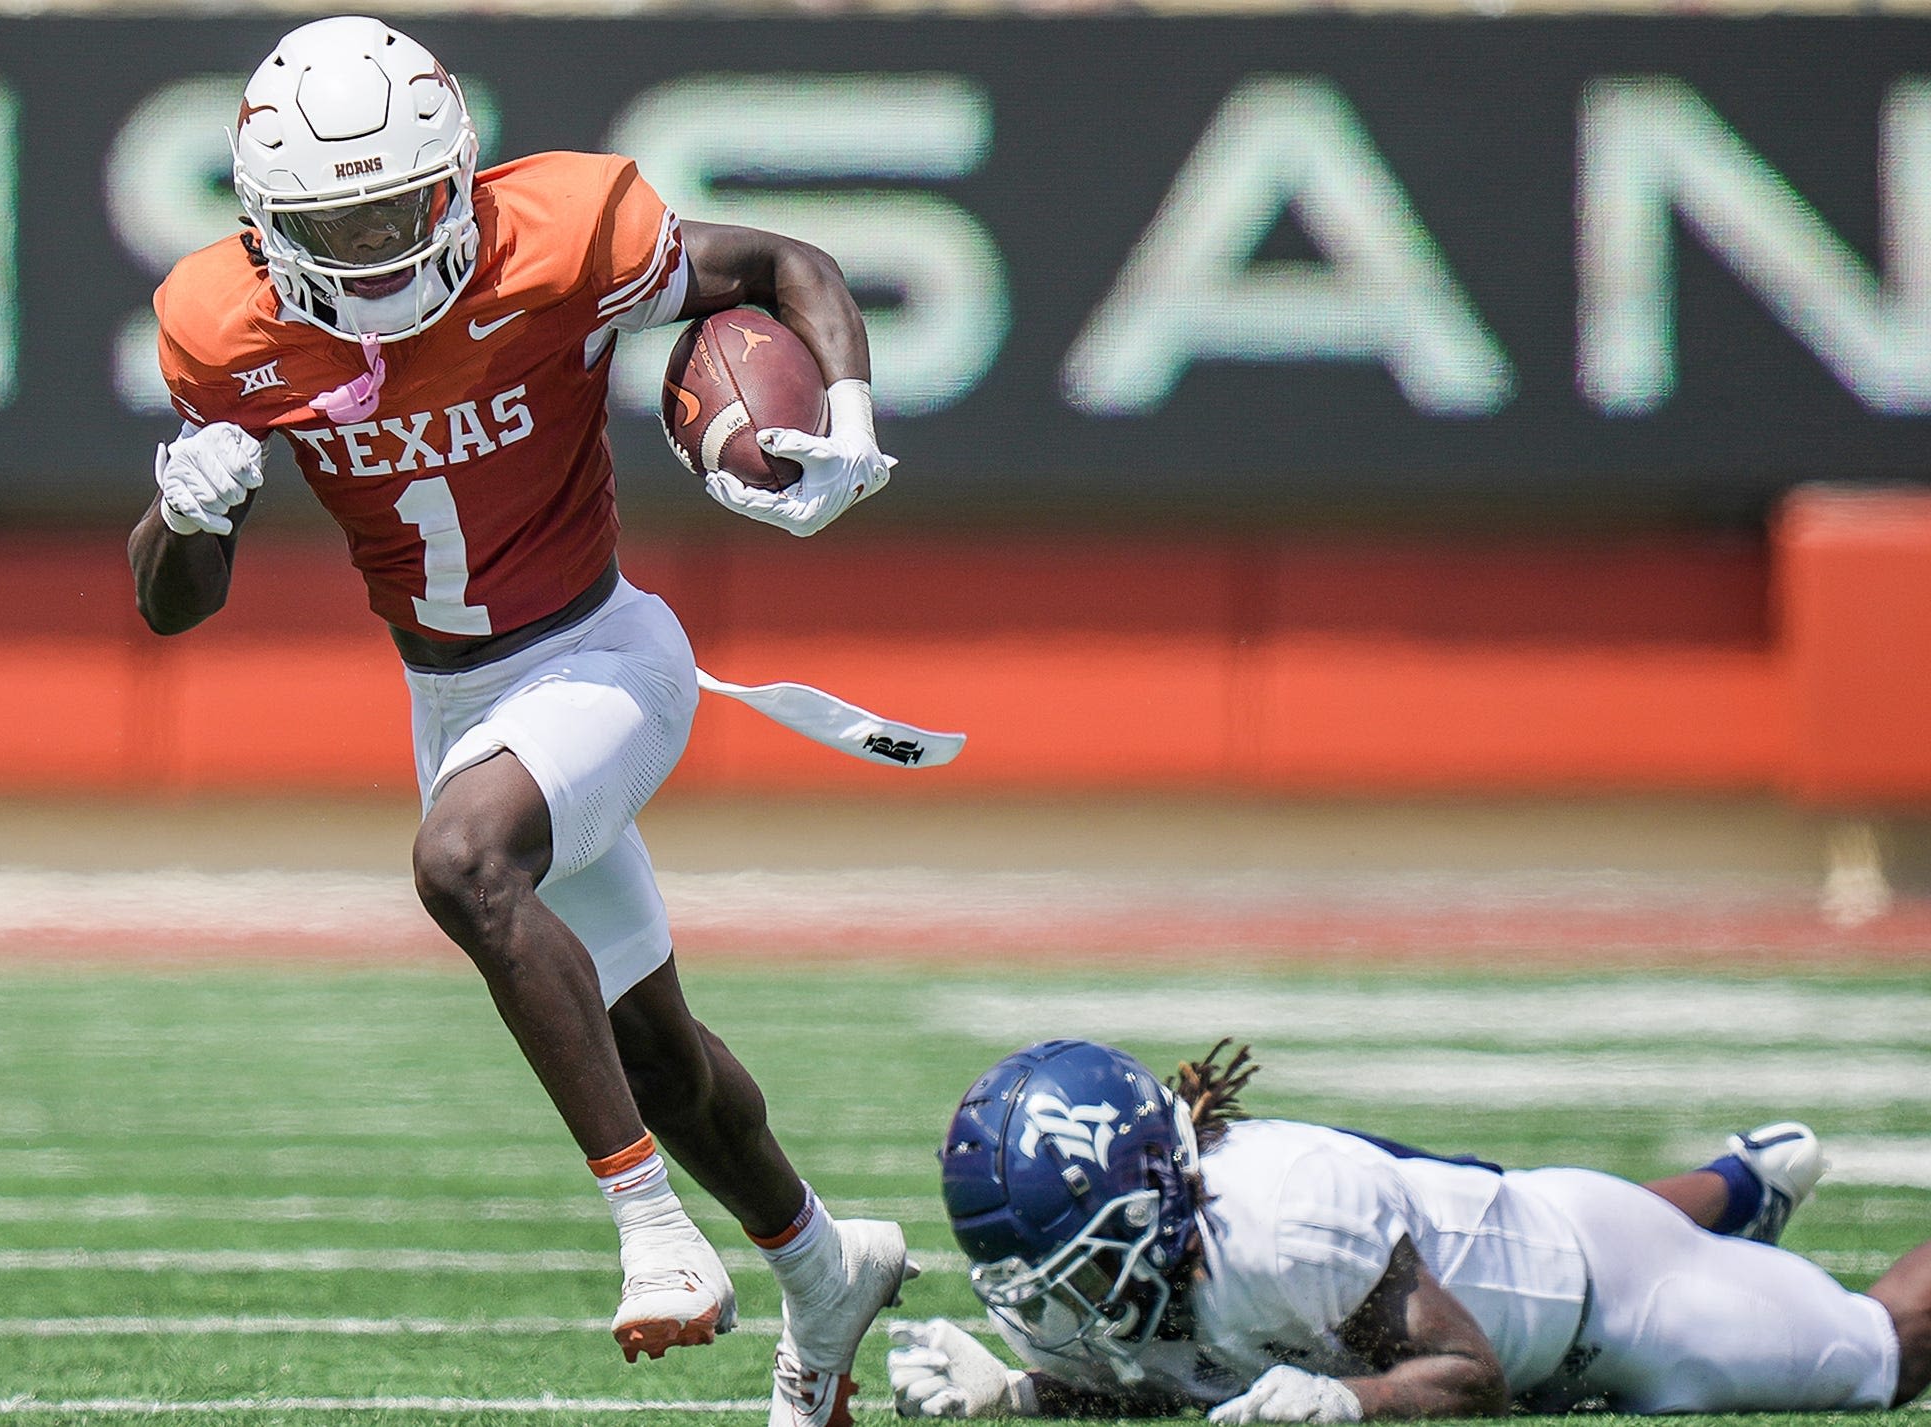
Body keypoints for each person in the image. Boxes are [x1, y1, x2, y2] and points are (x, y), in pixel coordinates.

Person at [128, 17, 910, 1426]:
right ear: (260, 224)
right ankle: (823, 1261)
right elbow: (173, 606)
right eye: (332, 219)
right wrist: (188, 514)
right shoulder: (219, 324)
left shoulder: (560, 231)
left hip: (609, 652)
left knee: (460, 865)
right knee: (661, 1056)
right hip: (454, 697)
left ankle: (649, 1228)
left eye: (394, 206)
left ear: (461, 178)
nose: (370, 246)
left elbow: (796, 267)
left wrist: (845, 421)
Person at [891, 1038, 1931, 1421]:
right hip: (1509, 1221)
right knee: (1556, 1208)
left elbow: (1468, 1372)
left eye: (1073, 1264)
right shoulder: (1126, 1263)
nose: (1048, 1301)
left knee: (1888, 1350)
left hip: (1604, 1305)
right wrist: (1023, 1390)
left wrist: (1345, 1398)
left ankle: (1729, 1199)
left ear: (1154, 1206)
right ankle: (1737, 1182)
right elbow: (1166, 1377)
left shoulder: (1286, 1218)